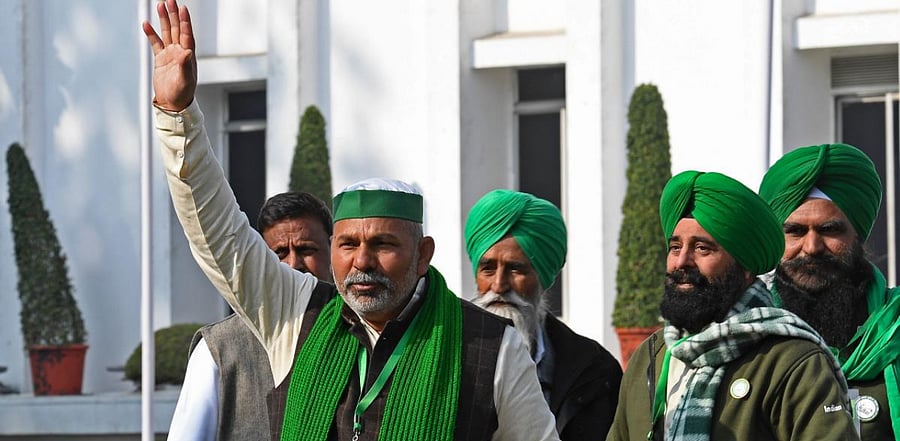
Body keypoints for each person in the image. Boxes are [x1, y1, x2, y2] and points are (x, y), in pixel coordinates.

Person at [142, 2, 560, 440]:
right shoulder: (298, 315)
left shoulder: (490, 347)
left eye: (382, 244)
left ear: (423, 255)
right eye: (347, 245)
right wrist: (178, 116)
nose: (362, 261)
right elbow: (220, 235)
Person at [606, 170, 857, 441]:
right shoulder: (653, 355)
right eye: (675, 247)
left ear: (745, 266)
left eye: (702, 248)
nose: (682, 262)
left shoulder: (791, 361)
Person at [759, 143, 900, 440]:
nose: (812, 248)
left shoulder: (894, 329)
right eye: (795, 232)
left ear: (857, 235)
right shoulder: (748, 336)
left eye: (830, 230)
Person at [168, 192, 333, 441]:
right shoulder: (218, 349)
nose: (293, 264)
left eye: (307, 250)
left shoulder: (360, 332)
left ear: (333, 251)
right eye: (278, 253)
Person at [463, 189, 622, 440]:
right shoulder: (445, 355)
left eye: (516, 269)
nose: (499, 285)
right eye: (488, 268)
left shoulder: (595, 371)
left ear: (544, 277)